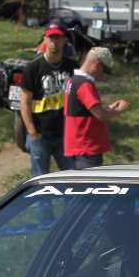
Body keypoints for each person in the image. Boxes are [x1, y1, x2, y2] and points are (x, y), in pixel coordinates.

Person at [19, 23, 76, 178]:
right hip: (40, 136)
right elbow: (24, 102)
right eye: (51, 37)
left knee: (73, 176)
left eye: (57, 37)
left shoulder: (72, 67)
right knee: (40, 180)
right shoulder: (33, 68)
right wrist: (32, 132)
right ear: (45, 39)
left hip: (65, 135)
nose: (54, 41)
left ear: (64, 40)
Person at [62, 47, 129, 169]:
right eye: (104, 70)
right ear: (97, 65)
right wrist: (120, 110)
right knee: (88, 180)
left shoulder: (73, 80)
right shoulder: (85, 85)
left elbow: (88, 111)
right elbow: (100, 115)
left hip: (77, 146)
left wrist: (110, 107)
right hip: (87, 148)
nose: (103, 75)